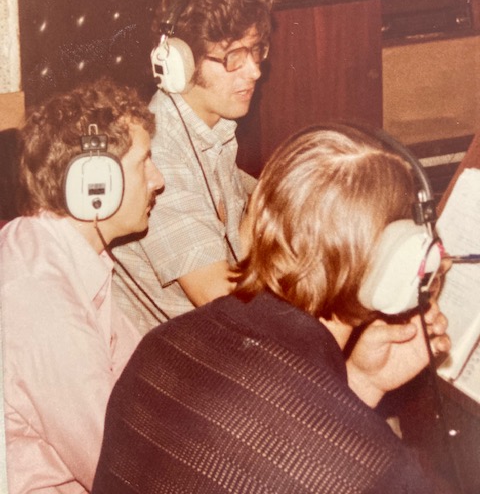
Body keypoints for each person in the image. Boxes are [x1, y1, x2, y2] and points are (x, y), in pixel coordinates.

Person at [92, 125, 452, 493]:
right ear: (395, 271)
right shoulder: (379, 473)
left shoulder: (161, 348)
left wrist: (362, 381)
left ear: (255, 222)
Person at [0, 78, 164, 494]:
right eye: (144, 162)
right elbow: (122, 472)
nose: (158, 180)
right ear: (96, 185)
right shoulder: (43, 303)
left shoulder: (58, 250)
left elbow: (143, 379)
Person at [112, 0, 273, 331]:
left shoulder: (213, 130)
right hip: (186, 347)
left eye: (256, 50)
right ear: (180, 64)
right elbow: (221, 300)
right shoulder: (160, 159)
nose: (254, 71)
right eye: (234, 57)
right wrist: (265, 207)